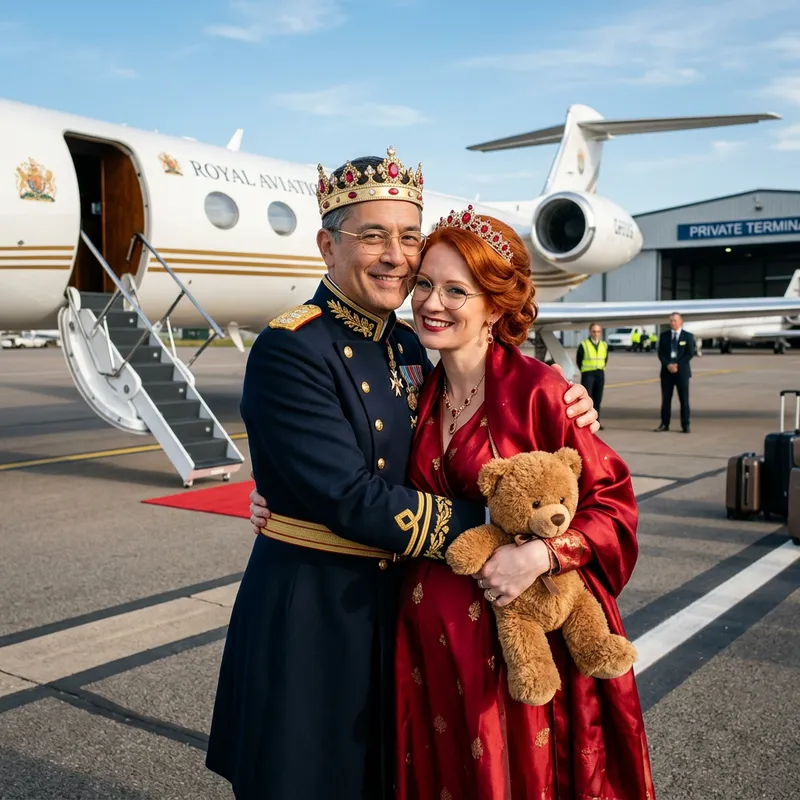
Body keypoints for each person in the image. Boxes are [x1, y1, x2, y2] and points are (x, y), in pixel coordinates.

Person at [207, 148, 599, 800]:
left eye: (409, 236)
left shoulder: (410, 343)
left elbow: (482, 403)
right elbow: (350, 496)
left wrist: (562, 399)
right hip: (317, 611)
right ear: (327, 246)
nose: (396, 254)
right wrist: (502, 531)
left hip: (399, 611)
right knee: (307, 778)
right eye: (372, 236)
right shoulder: (292, 347)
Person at [391, 210, 654, 799]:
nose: (432, 302)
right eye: (425, 284)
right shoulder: (415, 390)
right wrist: (276, 496)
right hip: (433, 649)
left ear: (495, 306)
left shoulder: (541, 391)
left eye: (457, 290)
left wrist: (542, 555)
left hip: (519, 645)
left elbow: (613, 504)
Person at [656, 311, 695, 433]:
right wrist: (668, 364)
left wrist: (678, 365)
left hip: (682, 372)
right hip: (667, 373)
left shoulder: (688, 336)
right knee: (666, 400)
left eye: (675, 320)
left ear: (681, 321)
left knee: (684, 400)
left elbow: (689, 353)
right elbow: (660, 353)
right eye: (671, 321)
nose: (673, 323)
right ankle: (664, 423)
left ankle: (685, 424)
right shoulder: (664, 336)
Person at [576, 323, 608, 428]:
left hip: (600, 373)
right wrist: (585, 370)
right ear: (590, 332)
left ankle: (596, 421)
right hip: (588, 374)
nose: (596, 334)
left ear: (600, 333)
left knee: (598, 399)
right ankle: (586, 421)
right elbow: (579, 360)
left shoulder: (604, 345)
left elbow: (605, 359)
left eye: (598, 332)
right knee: (588, 398)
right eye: (594, 331)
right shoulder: (584, 344)